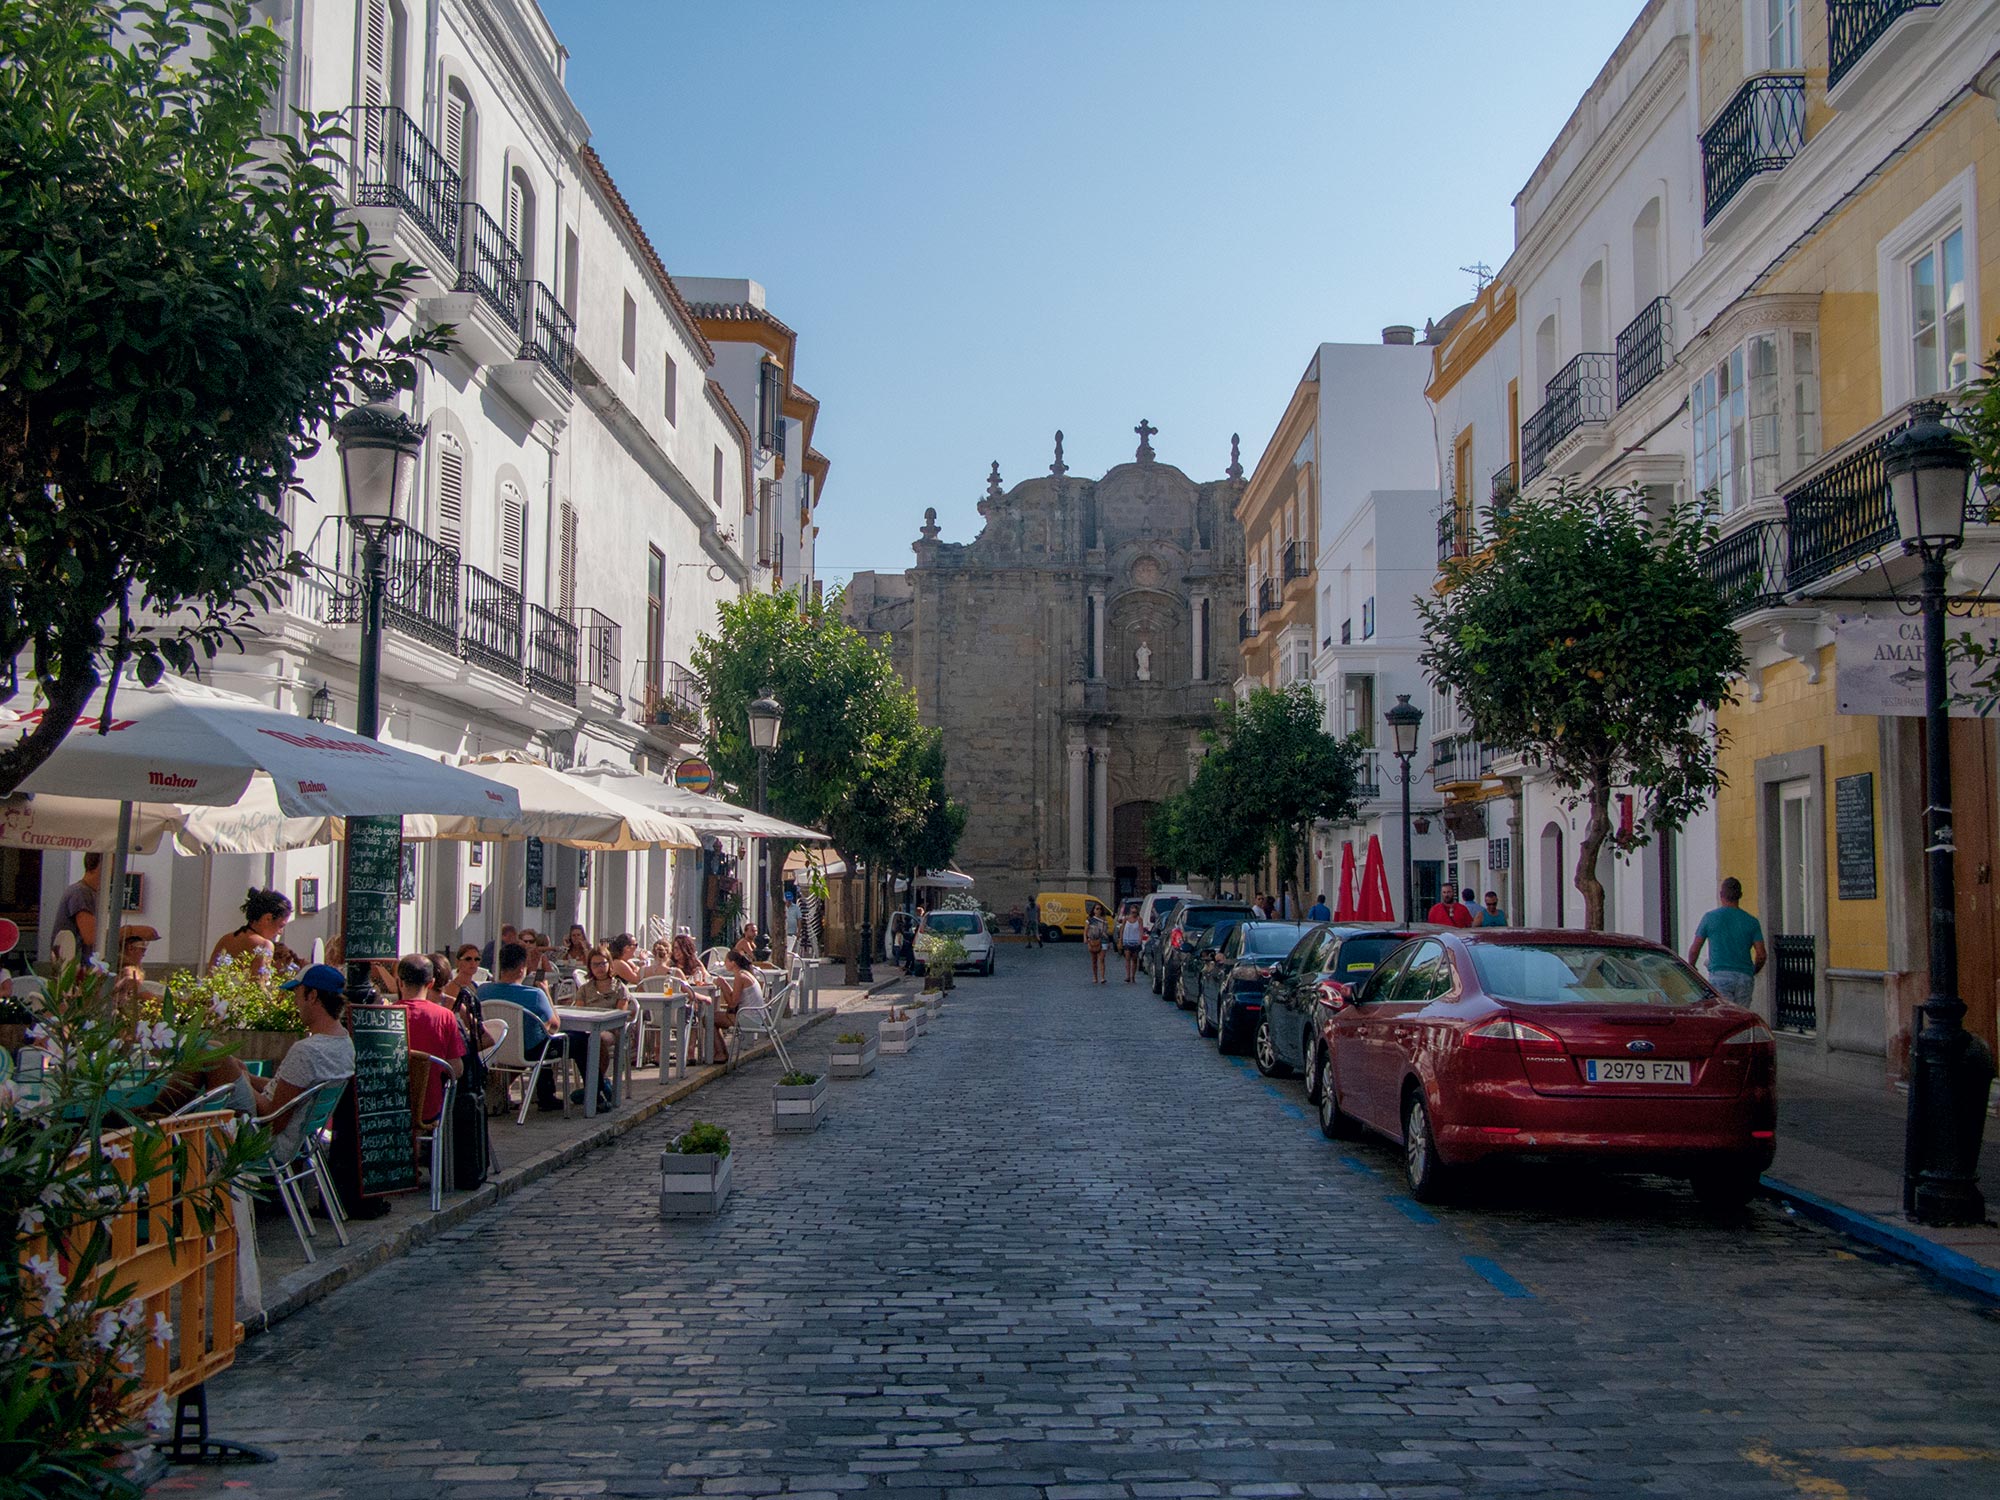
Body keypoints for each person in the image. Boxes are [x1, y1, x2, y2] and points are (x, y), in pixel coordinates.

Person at [242, 965, 357, 1164]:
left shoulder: (306, 1051)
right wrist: (248, 1077)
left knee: (212, 1052)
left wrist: (242, 1083)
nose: (295, 1002)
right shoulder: (345, 1044)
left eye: (297, 994)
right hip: (301, 1142)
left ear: (312, 996)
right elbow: (291, 1092)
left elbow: (273, 1120)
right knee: (223, 1059)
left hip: (270, 1145)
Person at [479, 941, 571, 1112]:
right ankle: (592, 1096)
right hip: (527, 1050)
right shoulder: (535, 995)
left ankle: (539, 1093)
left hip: (496, 1047)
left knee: (538, 1038)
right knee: (576, 1041)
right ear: (522, 968)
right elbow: (555, 1025)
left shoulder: (483, 990)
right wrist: (547, 994)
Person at [391, 953, 465, 1128]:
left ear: (400, 982)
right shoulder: (445, 1016)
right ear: (431, 983)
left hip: (389, 1108)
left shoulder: (384, 1016)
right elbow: (457, 1069)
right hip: (428, 1110)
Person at [1688, 877, 1767, 1007]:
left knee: (1725, 1017)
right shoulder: (1751, 921)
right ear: (1740, 895)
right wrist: (1754, 970)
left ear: (1721, 895)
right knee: (1741, 1020)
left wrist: (1692, 966)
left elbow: (1695, 949)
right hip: (1744, 977)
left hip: (1719, 976)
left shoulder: (1710, 918)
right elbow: (1761, 954)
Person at [208, 888, 294, 973]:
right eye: (281, 925)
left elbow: (210, 977)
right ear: (267, 918)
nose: (280, 932)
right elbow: (259, 983)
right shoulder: (264, 945)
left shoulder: (226, 939)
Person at [713, 949, 768, 1064]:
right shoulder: (745, 973)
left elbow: (733, 1004)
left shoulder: (740, 976)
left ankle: (720, 1053)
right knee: (713, 1017)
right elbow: (735, 997)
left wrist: (722, 986)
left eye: (726, 961)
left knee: (709, 1019)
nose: (725, 964)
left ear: (733, 963)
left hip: (749, 1018)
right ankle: (722, 1053)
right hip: (756, 1016)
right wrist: (724, 983)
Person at [52, 852, 104, 963]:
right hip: (73, 967)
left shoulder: (92, 892)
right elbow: (90, 937)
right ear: (99, 865)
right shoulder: (80, 892)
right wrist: (127, 932)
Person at [110, 925, 161, 1008]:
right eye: (143, 949)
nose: (143, 954)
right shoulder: (128, 969)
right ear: (130, 948)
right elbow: (141, 994)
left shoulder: (114, 963)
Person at [1119, 905, 1144, 983]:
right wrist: (1121, 939)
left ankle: (1133, 976)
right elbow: (1122, 929)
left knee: (1134, 959)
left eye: (1135, 912)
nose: (1134, 914)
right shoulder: (1126, 919)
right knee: (1127, 958)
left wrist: (1140, 939)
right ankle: (1128, 976)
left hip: (1135, 941)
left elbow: (1141, 930)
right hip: (1127, 941)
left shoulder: (1139, 919)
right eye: (1133, 912)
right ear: (1130, 911)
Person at [1084, 907, 1109, 985]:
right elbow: (1085, 930)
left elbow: (1106, 932)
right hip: (1093, 941)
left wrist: (1108, 942)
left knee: (1101, 959)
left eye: (1099, 909)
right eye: (1097, 909)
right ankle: (1095, 977)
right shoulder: (1090, 920)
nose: (1098, 910)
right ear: (1093, 910)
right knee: (1094, 960)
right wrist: (1085, 938)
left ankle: (1102, 977)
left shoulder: (1104, 920)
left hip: (1103, 940)